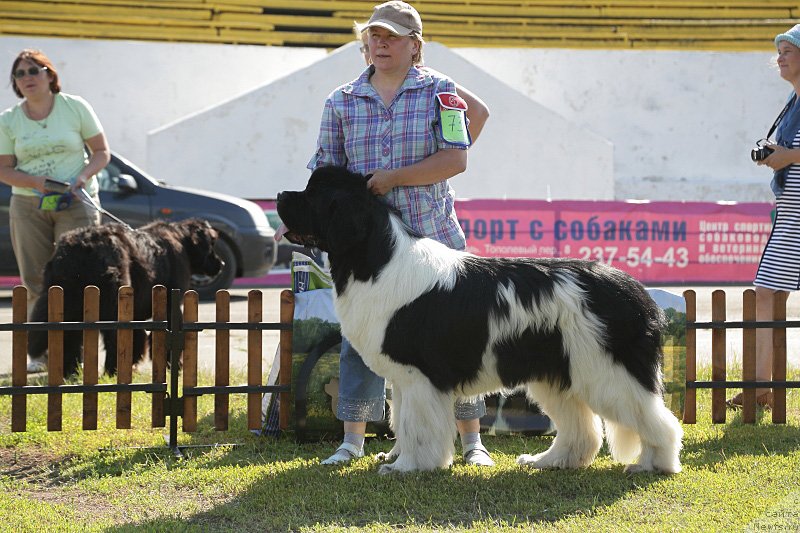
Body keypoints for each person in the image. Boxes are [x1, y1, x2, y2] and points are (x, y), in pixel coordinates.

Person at [310, 1, 494, 466]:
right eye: (374, 35)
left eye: (392, 36)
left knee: (456, 338)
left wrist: (393, 177)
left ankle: (472, 442)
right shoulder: (340, 100)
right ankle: (352, 440)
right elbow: (325, 170)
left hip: (434, 239)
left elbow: (455, 159)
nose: (380, 43)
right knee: (361, 338)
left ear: (416, 45)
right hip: (365, 249)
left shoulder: (442, 92)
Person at [0, 49, 110, 372]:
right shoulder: (8, 121)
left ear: (50, 74)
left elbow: (102, 152)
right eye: (19, 74)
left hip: (76, 202)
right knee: (35, 279)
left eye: (34, 70)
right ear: (15, 84)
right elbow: (4, 169)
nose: (27, 77)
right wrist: (36, 182)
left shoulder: (75, 107)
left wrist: (83, 177)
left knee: (78, 277)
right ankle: (41, 354)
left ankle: (78, 354)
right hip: (28, 203)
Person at [728, 25, 800, 410]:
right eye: (780, 51)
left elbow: (794, 155)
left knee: (767, 294)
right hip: (791, 213)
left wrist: (788, 157)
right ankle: (762, 388)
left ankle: (761, 388)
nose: (781, 57)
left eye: (789, 50)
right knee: (769, 296)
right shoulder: (793, 102)